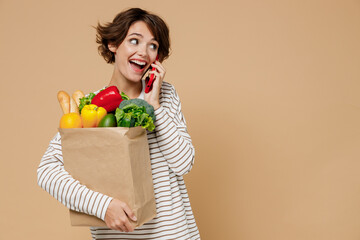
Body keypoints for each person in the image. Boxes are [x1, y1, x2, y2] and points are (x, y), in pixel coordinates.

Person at [37, 7, 200, 239]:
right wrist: (101, 206)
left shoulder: (166, 96)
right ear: (113, 44)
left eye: (153, 46)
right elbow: (46, 171)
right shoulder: (92, 107)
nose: (143, 52)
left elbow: (184, 163)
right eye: (134, 41)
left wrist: (154, 104)